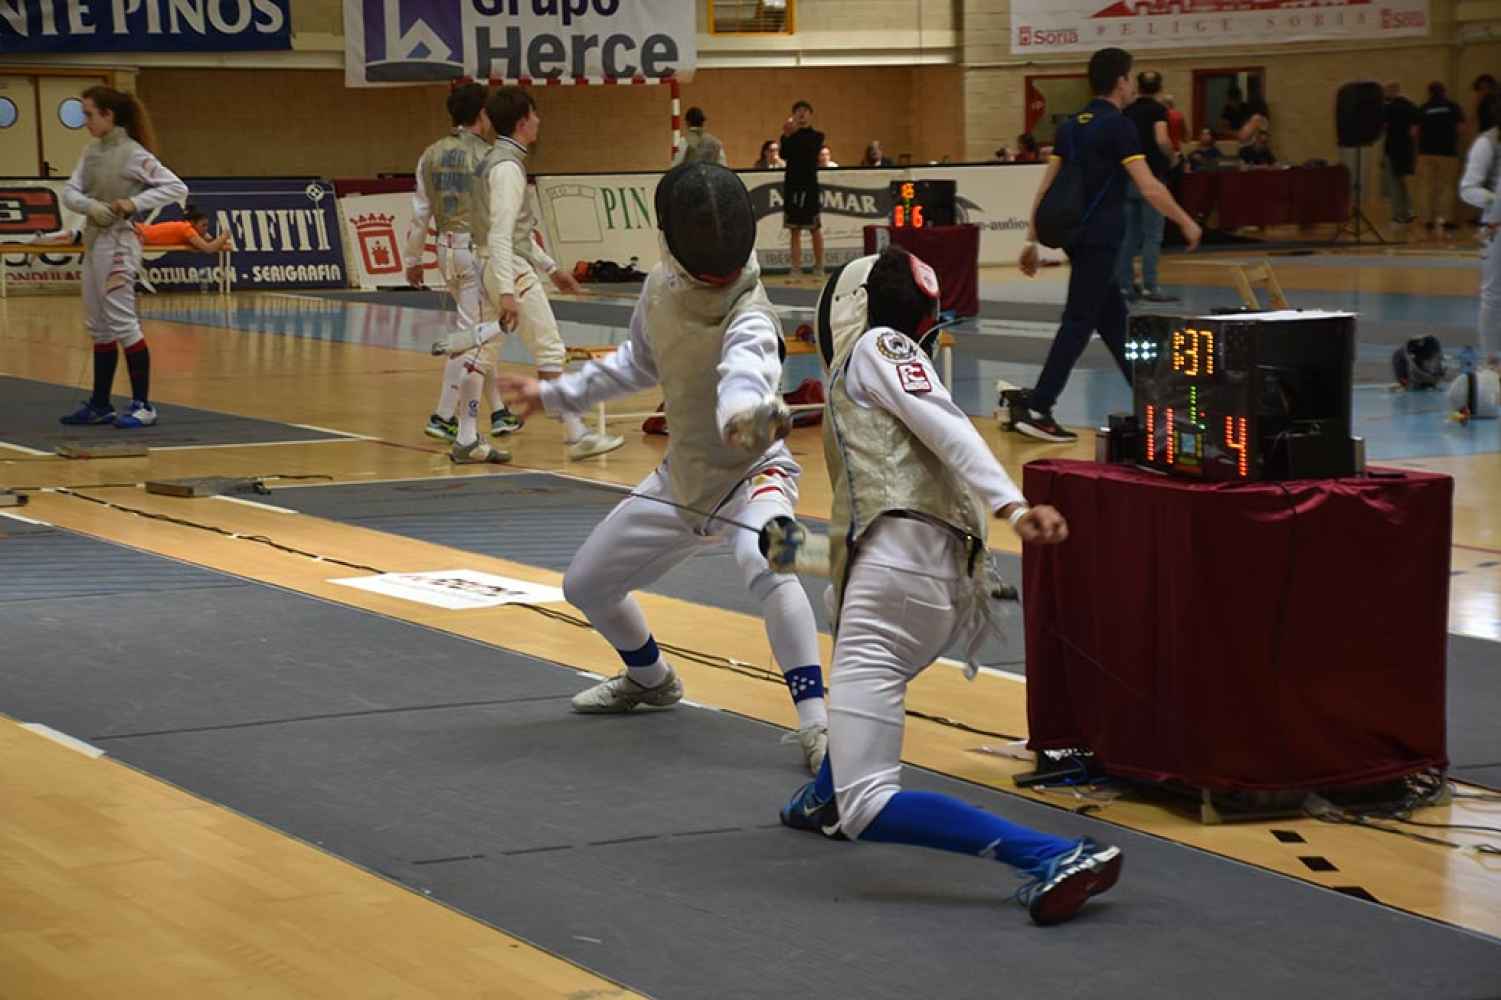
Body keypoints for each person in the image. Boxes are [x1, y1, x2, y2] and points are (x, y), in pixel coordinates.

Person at [771, 248, 1122, 927]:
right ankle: (822, 795)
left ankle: (1050, 853)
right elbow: (876, 508)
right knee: (846, 656)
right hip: (924, 586)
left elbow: (946, 427)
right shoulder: (878, 372)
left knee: (870, 802)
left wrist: (1012, 507)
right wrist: (788, 548)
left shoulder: (876, 346)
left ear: (849, 303)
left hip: (899, 581)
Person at [496, 163, 831, 773]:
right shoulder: (662, 287)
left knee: (771, 562)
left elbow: (745, 374)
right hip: (684, 478)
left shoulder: (753, 314)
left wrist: (744, 416)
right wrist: (557, 395)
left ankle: (817, 724)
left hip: (753, 479)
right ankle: (651, 679)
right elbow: (638, 364)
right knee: (585, 585)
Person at [1012, 47, 1202, 444]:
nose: (1132, 85)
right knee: (1079, 321)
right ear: (1120, 81)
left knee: (1115, 323)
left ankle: (1155, 405)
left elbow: (1048, 186)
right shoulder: (1118, 126)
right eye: (1130, 78)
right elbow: (1149, 186)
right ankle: (1039, 406)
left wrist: (1031, 239)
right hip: (1100, 238)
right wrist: (1185, 220)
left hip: (1076, 238)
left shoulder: (1072, 126)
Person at [433, 86, 623, 464]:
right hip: (507, 269)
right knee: (550, 348)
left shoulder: (493, 159)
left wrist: (552, 269)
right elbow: (503, 234)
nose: (539, 122)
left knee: (481, 353)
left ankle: (467, 438)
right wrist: (507, 289)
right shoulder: (506, 167)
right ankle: (576, 434)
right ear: (522, 121)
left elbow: (512, 231)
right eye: (535, 116)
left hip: (489, 262)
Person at [58, 86, 187, 430]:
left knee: (122, 322)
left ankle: (143, 405)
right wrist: (91, 206)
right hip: (94, 241)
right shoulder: (91, 152)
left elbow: (176, 186)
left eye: (88, 114)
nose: (84, 121)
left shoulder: (133, 153)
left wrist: (133, 204)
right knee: (98, 325)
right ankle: (100, 404)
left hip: (119, 244)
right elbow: (70, 191)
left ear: (108, 115)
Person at [405, 83, 522, 445]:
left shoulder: (430, 154)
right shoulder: (489, 156)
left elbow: (420, 212)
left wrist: (412, 259)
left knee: (480, 330)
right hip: (475, 253)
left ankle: (499, 411)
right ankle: (443, 416)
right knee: (474, 336)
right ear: (483, 115)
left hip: (443, 251)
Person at [1116, 69, 1181, 303]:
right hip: (1152, 178)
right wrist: (1172, 157)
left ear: (1138, 87)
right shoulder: (1158, 110)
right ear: (1160, 89)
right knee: (1152, 235)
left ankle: (1124, 286)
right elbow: (1162, 139)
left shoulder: (1127, 111)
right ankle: (1150, 286)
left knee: (1129, 236)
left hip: (1129, 177)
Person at [1459, 92, 1501, 361]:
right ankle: (1492, 362)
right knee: (1494, 295)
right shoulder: (1488, 143)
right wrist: (1495, 200)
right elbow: (1468, 189)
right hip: (1497, 227)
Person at [1416, 81, 1466, 237]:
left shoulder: (1423, 108)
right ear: (1444, 92)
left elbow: (1414, 132)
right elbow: (1461, 129)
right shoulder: (1453, 107)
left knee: (1426, 186)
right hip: (1448, 152)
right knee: (1447, 186)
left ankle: (1426, 220)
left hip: (1425, 152)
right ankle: (1446, 220)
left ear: (1429, 92)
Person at [781, 100, 825, 277]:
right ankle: (796, 267)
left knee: (814, 227)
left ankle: (819, 265)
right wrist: (787, 136)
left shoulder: (817, 136)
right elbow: (785, 154)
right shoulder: (788, 135)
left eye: (805, 111)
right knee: (794, 229)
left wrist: (794, 135)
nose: (801, 114)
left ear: (810, 114)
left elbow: (810, 152)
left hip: (810, 187)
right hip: (792, 186)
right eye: (798, 111)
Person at [1382, 81, 1420, 226]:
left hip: (1392, 149)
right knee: (1404, 182)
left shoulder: (1387, 108)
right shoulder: (1410, 105)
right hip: (1407, 149)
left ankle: (1398, 215)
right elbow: (1416, 129)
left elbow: (1383, 127)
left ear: (1390, 92)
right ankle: (1409, 212)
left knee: (1394, 183)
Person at [135, 205, 231, 252]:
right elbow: (208, 249)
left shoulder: (188, 228)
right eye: (203, 225)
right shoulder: (187, 229)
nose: (206, 228)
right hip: (136, 232)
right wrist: (224, 236)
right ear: (193, 223)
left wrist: (219, 241)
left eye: (207, 225)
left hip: (138, 233)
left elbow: (209, 240)